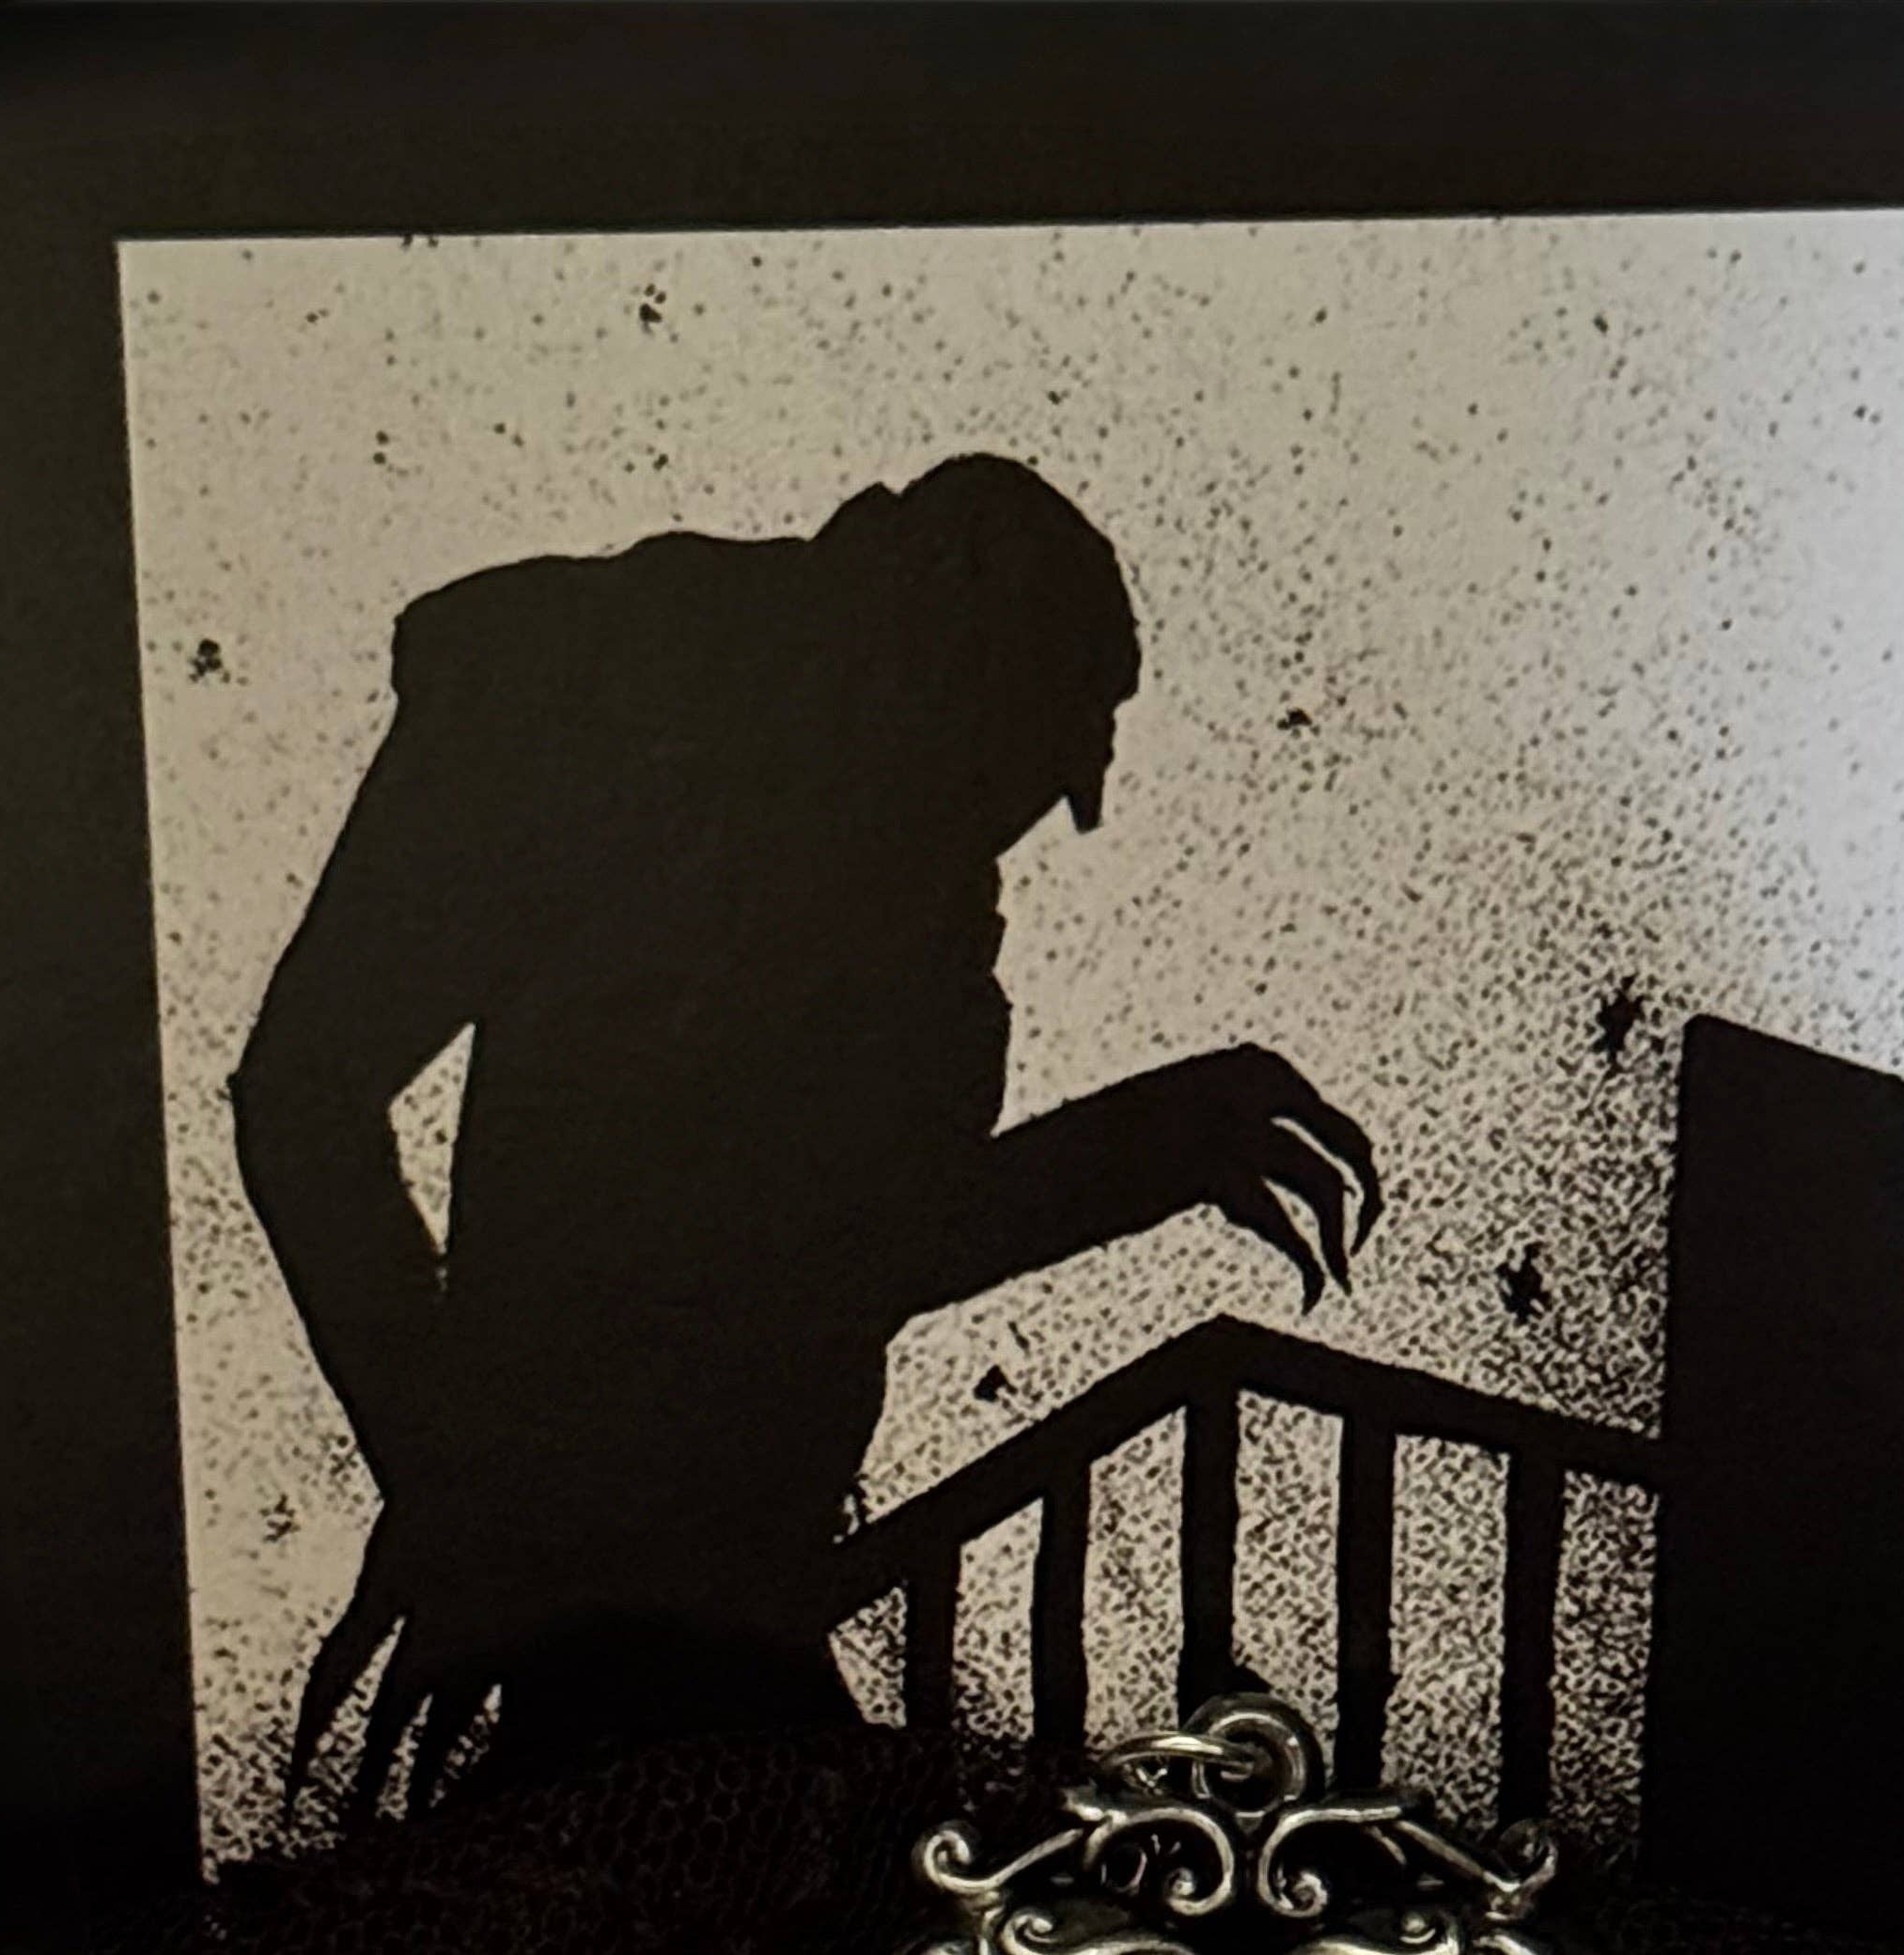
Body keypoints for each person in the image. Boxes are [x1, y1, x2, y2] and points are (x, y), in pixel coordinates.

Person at [229, 453, 1381, 1818]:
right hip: (623, 1599)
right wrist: (465, 1487)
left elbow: (838, 1248)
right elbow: (305, 1094)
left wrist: (1138, 1151)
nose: (1051, 819)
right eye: (1026, 763)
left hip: (725, 1582)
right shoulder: (586, 689)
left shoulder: (916, 883)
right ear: (947, 672)